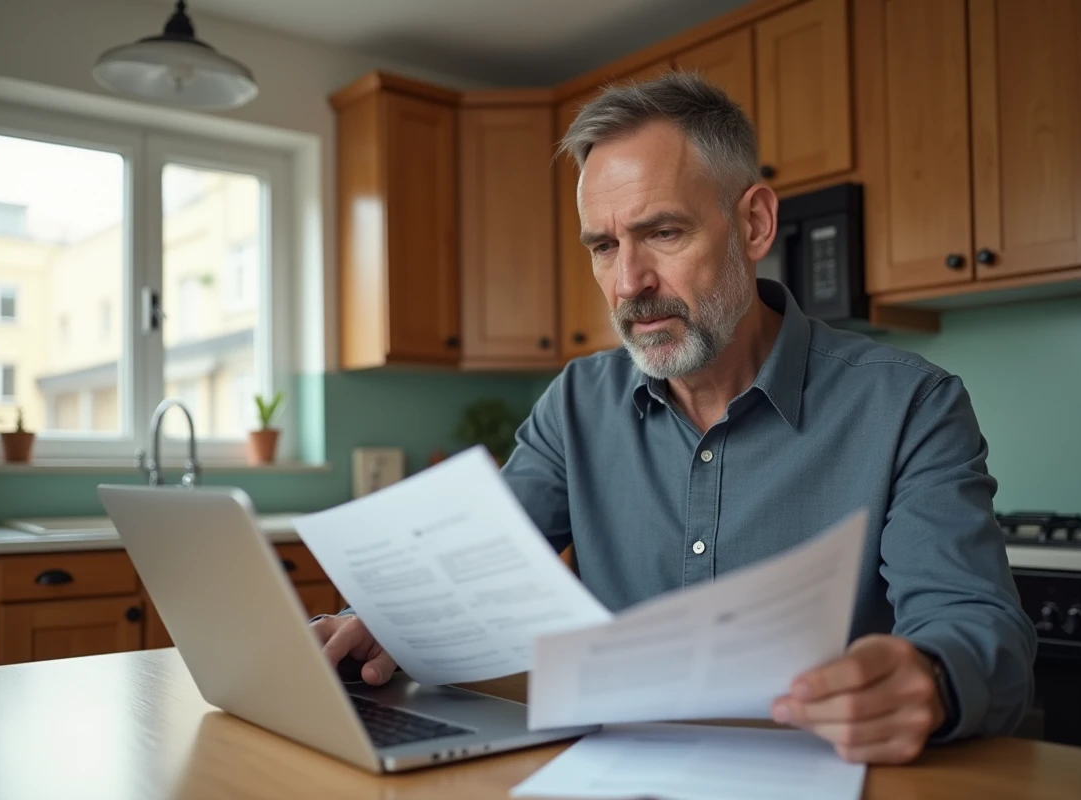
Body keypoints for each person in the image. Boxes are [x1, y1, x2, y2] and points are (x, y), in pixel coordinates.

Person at [310, 72, 1036, 765]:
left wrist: (932, 679)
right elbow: (461, 565)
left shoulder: (910, 405)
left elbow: (978, 626)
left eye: (662, 233)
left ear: (752, 223)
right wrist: (384, 617)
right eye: (604, 246)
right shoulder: (575, 404)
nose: (629, 283)